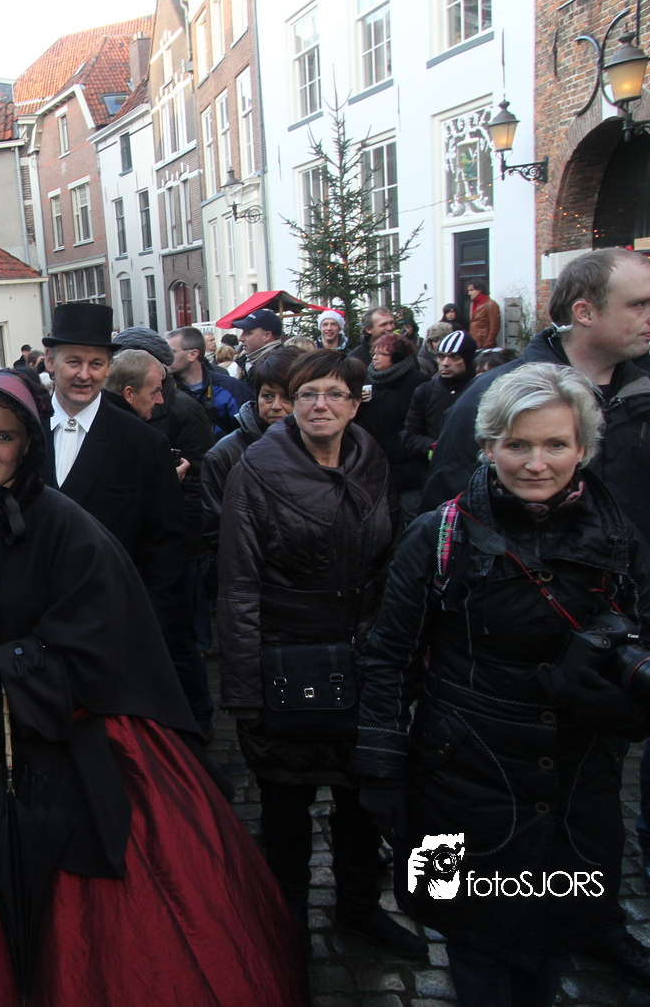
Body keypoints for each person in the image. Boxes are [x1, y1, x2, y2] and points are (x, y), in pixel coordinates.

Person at [0, 368, 308, 1006]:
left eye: (3, 436)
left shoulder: (70, 529)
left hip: (69, 751)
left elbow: (86, 653)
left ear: (28, 443)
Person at [421, 248, 650, 989]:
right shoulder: (501, 394)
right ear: (584, 312)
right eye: (641, 303)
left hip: (615, 656)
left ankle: (593, 923)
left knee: (590, 807)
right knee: (501, 812)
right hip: (509, 666)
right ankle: (486, 940)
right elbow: (445, 515)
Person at [358, 364, 650, 1005]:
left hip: (576, 787)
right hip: (456, 784)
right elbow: (390, 658)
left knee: (552, 942)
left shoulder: (619, 538)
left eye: (555, 444)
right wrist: (380, 770)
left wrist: (624, 708)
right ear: (488, 447)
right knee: (473, 948)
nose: (537, 464)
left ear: (584, 448)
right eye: (517, 444)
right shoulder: (439, 535)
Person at [216, 348, 422, 959]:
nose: (319, 405)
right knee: (286, 801)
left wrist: (397, 655)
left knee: (361, 797)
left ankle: (359, 907)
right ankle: (287, 921)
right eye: (307, 394)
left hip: (362, 660)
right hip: (288, 660)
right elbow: (239, 587)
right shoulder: (256, 471)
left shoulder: (371, 459)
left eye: (334, 393)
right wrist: (245, 691)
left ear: (357, 404)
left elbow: (390, 561)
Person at [39, 303, 186, 653]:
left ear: (109, 368)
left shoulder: (143, 444)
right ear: (50, 362)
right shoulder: (20, 432)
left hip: (113, 632)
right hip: (31, 632)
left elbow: (166, 548)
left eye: (96, 364)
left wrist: (147, 631)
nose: (84, 374)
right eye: (73, 362)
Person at [109, 330, 217, 735]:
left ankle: (198, 720)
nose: (158, 399)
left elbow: (200, 482)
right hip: (151, 551)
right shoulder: (117, 423)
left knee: (181, 640)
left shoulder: (184, 412)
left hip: (182, 548)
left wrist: (180, 541)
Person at [199, 348, 302, 554]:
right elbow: (218, 530)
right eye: (268, 396)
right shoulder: (225, 454)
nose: (276, 406)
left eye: (287, 398)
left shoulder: (325, 445)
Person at [354, 333, 431, 520]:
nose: (375, 358)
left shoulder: (418, 383)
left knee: (411, 516)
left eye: (382, 354)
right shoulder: (366, 382)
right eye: (374, 353)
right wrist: (354, 400)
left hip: (408, 467)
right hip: (375, 466)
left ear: (397, 357)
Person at [402, 329, 477, 462]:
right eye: (441, 357)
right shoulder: (426, 391)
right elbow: (409, 435)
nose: (445, 363)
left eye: (454, 357)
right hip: (435, 468)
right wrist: (433, 447)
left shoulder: (479, 390)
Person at [167, 325, 254, 438]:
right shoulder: (163, 390)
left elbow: (249, 434)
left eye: (170, 352)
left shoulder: (231, 388)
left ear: (193, 355)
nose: (165, 357)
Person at [233, 308, 283, 377]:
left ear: (267, 336)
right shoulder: (246, 362)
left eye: (248, 333)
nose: (240, 338)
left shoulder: (278, 366)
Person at [467, 279, 500, 349]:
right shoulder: (473, 304)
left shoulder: (490, 304)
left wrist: (488, 344)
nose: (469, 293)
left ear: (480, 290)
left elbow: (494, 327)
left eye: (472, 290)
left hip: (484, 345)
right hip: (474, 343)